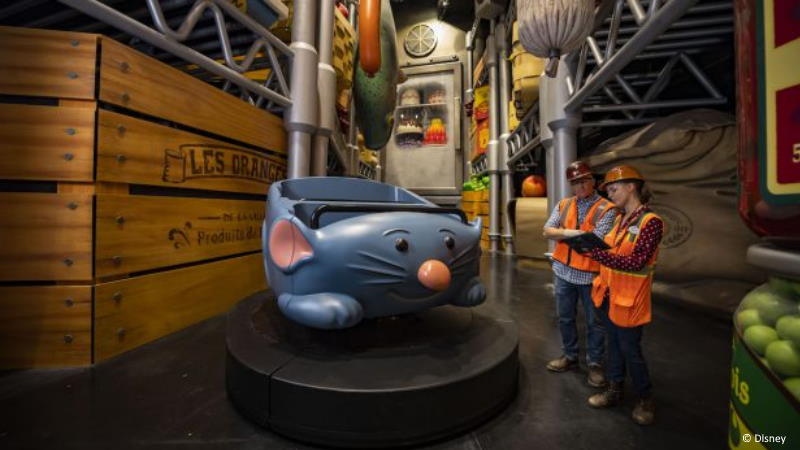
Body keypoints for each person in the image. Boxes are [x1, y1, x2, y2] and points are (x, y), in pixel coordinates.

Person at [585, 165, 664, 426]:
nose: (610, 194)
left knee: (631, 350)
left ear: (631, 187)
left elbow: (637, 262)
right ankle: (614, 390)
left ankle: (645, 398)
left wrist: (597, 255)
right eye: (608, 190)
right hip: (609, 295)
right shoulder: (620, 219)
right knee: (614, 347)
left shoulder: (650, 222)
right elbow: (613, 250)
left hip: (631, 300)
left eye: (613, 189)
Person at [543, 161, 617, 387]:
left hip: (591, 276)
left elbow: (596, 240)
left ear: (593, 181)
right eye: (575, 182)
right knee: (565, 317)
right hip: (563, 272)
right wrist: (574, 233)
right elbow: (547, 230)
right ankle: (570, 356)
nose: (581, 186)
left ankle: (595, 363)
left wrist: (562, 233)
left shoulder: (607, 208)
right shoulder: (564, 204)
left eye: (584, 180)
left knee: (595, 323)